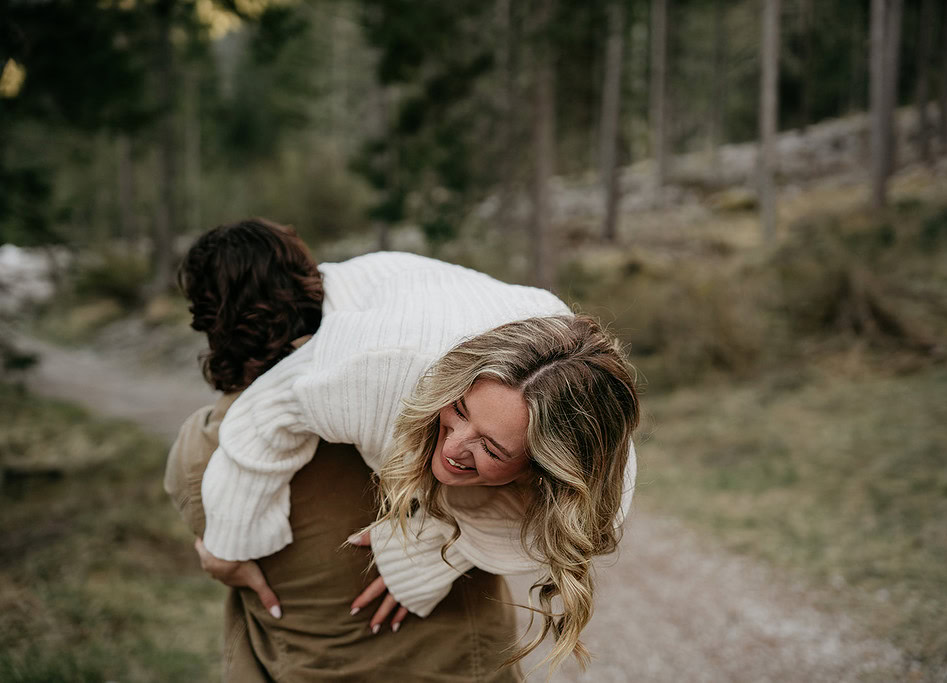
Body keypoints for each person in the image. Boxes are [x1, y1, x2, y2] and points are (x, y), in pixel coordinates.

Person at [195, 219, 641, 675]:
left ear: (547, 468)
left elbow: (541, 525)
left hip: (447, 304)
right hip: (364, 304)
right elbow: (260, 419)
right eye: (461, 410)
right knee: (209, 444)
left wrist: (430, 552)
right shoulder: (365, 372)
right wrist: (229, 547)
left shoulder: (595, 471)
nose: (455, 446)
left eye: (490, 447)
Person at [166, 218, 522, 681]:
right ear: (313, 279)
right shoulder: (436, 406)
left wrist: (219, 555)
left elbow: (227, 550)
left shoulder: (205, 446)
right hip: (462, 664)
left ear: (206, 321)